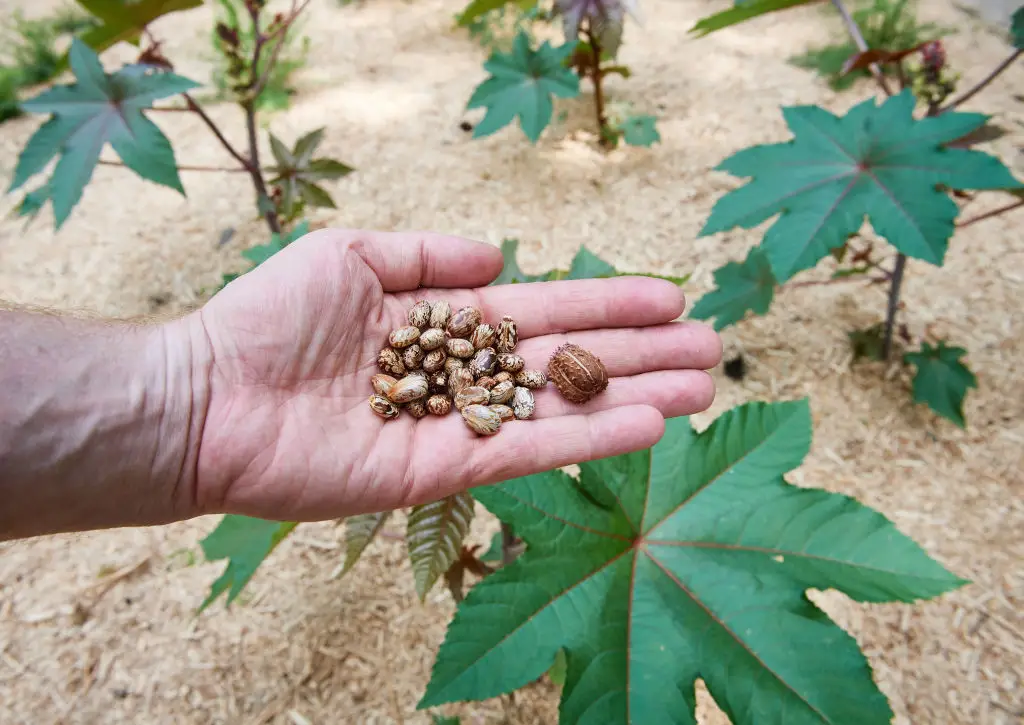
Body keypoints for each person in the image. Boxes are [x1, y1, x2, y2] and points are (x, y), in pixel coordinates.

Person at [0, 229, 721, 542]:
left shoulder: (478, 369)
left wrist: (188, 392)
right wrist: (194, 385)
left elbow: (466, 379)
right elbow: (449, 378)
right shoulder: (448, 367)